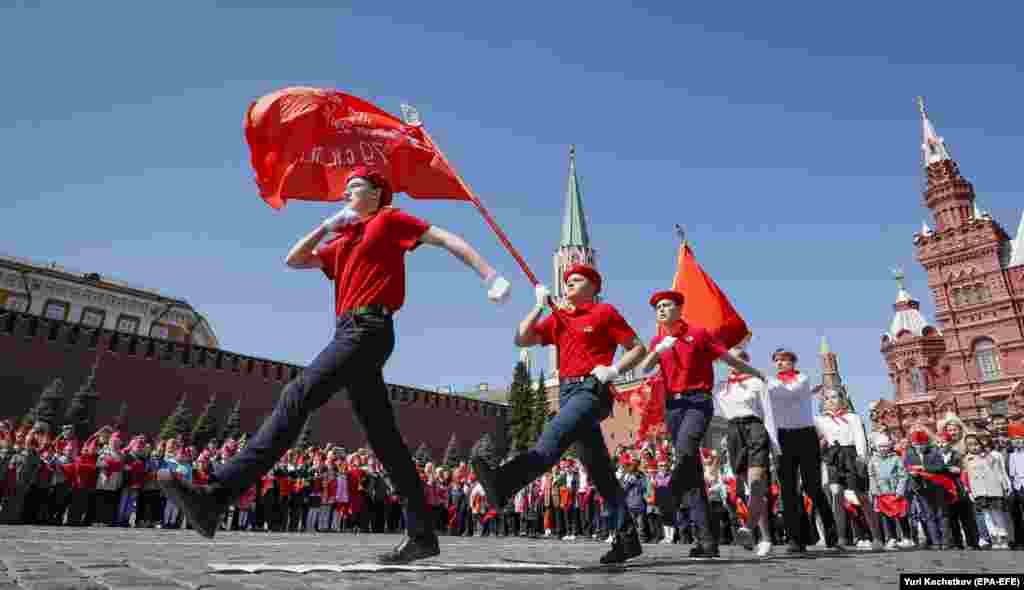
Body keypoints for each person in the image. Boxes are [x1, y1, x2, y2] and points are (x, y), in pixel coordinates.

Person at [158, 166, 510, 563]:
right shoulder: (343, 239)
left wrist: (488, 273)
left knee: (297, 394)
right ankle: (422, 535)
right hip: (349, 331)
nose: (345, 192)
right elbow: (293, 260)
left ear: (377, 192)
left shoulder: (389, 219)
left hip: (369, 328)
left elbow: (443, 237)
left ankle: (216, 495)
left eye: (354, 186)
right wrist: (327, 226)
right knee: (386, 442)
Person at [472, 264, 647, 564]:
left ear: (593, 286)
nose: (569, 283)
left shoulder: (604, 313)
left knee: (550, 441)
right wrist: (539, 307)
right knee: (601, 473)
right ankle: (627, 538)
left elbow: (637, 348)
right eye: (566, 280)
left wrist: (614, 369)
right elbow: (522, 339)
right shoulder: (560, 318)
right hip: (567, 392)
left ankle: (503, 485)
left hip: (592, 390)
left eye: (576, 279)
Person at [637, 290, 764, 558]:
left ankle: (669, 495)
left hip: (697, 401)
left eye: (666, 305)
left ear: (679, 308)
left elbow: (727, 357)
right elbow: (645, 369)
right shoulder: (659, 339)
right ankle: (707, 540)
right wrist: (658, 350)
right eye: (657, 307)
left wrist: (755, 372)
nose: (661, 310)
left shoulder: (699, 333)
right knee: (692, 474)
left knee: (685, 449)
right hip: (673, 406)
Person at [762, 347, 839, 553]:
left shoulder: (801, 379)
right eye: (776, 360)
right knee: (788, 491)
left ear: (793, 362)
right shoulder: (769, 383)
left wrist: (762, 379)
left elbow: (788, 392)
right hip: (783, 437)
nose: (780, 363)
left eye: (784, 360)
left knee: (812, 487)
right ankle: (796, 539)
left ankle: (832, 536)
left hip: (805, 435)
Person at [713, 347, 774, 556]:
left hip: (755, 428)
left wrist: (775, 445)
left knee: (757, 484)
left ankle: (750, 529)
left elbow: (768, 414)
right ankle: (764, 535)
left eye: (738, 359)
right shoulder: (720, 387)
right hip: (733, 432)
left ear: (746, 361)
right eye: (728, 360)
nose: (732, 363)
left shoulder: (757, 382)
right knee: (749, 490)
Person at [814, 388, 883, 550]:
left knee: (862, 497)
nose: (830, 400)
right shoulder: (820, 420)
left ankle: (877, 537)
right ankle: (841, 539)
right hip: (833, 456)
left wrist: (861, 457)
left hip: (851, 455)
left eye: (834, 397)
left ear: (842, 399)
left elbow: (860, 437)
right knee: (836, 494)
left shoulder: (853, 417)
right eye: (827, 399)